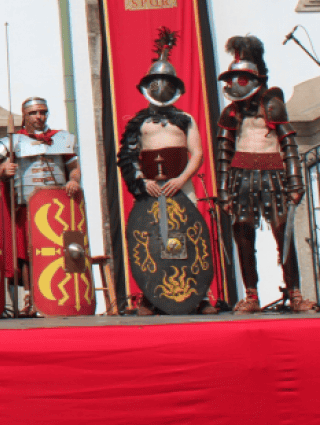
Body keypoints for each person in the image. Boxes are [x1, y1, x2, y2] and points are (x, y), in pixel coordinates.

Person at [116, 27, 216, 316]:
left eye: (165, 83)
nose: (161, 88)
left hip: (180, 186)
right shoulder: (138, 122)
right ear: (149, 86)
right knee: (150, 238)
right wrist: (142, 181)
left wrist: (181, 179)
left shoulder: (185, 119)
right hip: (151, 188)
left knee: (189, 234)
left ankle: (201, 295)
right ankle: (149, 296)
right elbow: (129, 155)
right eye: (156, 83)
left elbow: (196, 154)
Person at [215, 35, 317, 314]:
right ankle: (251, 295)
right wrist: (223, 191)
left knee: (283, 233)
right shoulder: (230, 113)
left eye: (241, 78)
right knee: (243, 235)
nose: (235, 84)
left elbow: (288, 145)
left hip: (273, 177)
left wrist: (295, 181)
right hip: (241, 178)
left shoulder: (271, 104)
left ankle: (294, 293)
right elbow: (224, 153)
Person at [0, 97, 79, 317]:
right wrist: (5, 171)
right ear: (25, 116)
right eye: (33, 113)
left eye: (42, 112)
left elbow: (74, 167)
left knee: (64, 251)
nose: (39, 117)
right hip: (27, 205)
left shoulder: (61, 138)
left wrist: (74, 180)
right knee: (28, 254)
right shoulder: (12, 141)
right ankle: (30, 299)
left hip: (59, 207)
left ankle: (63, 295)